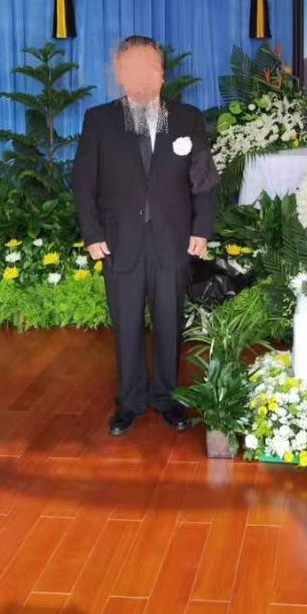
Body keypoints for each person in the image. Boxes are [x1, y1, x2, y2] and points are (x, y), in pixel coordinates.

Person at [72, 35, 218, 436]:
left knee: (170, 322)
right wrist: (92, 232)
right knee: (127, 324)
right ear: (120, 75)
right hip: (120, 241)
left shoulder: (186, 118)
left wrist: (201, 228)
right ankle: (131, 400)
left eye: (150, 68)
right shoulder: (99, 120)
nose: (142, 77)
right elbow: (83, 182)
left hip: (172, 240)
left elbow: (204, 181)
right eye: (133, 69)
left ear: (162, 74)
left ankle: (167, 397)